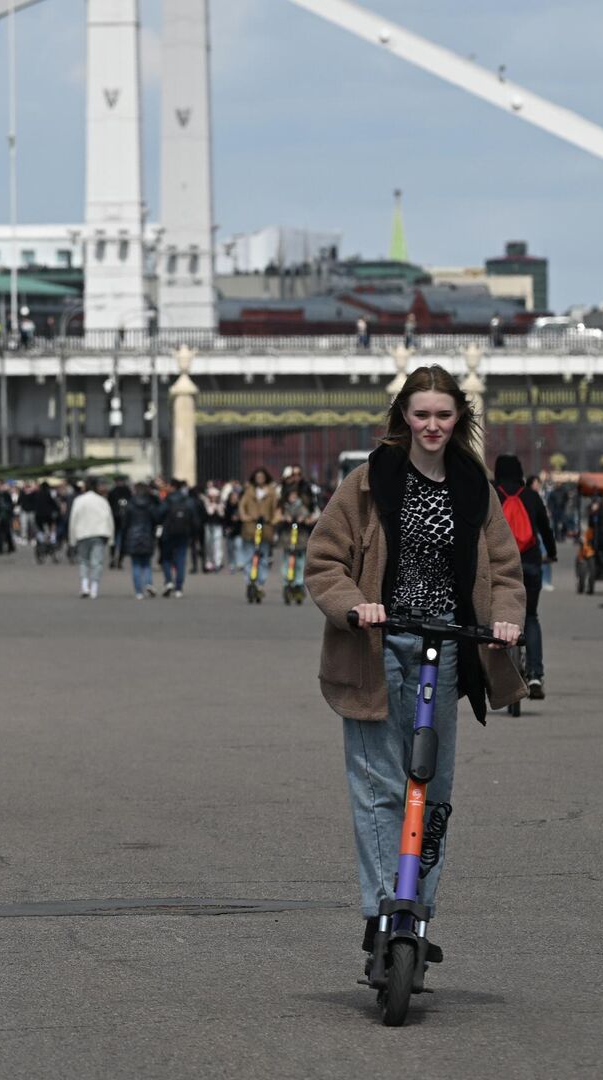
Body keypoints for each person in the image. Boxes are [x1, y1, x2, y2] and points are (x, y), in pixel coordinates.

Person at [305, 365, 524, 974]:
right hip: (377, 647)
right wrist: (356, 606)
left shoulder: (472, 485)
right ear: (404, 415)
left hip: (448, 648)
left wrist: (505, 619)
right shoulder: (368, 481)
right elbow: (324, 561)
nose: (432, 425)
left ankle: (417, 916)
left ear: (460, 418)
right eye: (421, 413)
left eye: (443, 414)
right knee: (379, 787)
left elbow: (505, 570)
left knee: (432, 793)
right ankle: (385, 915)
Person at [491, 455, 554, 699]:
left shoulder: (491, 494)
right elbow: (546, 530)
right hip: (530, 564)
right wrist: (553, 553)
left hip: (498, 567)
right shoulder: (531, 496)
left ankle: (494, 677)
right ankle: (536, 674)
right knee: (530, 616)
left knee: (495, 619)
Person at [68, 479, 116, 599]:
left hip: (82, 533)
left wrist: (72, 537)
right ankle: (94, 588)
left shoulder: (79, 500)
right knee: (97, 562)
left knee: (83, 560)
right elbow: (108, 518)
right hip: (99, 533)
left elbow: (73, 519)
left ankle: (84, 586)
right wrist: (111, 537)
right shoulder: (102, 501)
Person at [238, 468, 281, 589]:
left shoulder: (272, 492)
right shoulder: (249, 491)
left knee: (263, 557)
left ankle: (261, 582)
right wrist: (246, 517)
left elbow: (277, 509)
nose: (259, 479)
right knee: (248, 557)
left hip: (266, 528)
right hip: (250, 527)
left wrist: (273, 520)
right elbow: (242, 507)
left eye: (261, 477)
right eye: (257, 477)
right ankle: (249, 581)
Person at [157, 479, 198, 597]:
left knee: (166, 558)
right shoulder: (188, 501)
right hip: (184, 533)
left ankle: (169, 580)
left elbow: (158, 514)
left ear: (172, 487)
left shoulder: (167, 500)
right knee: (181, 559)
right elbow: (194, 519)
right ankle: (179, 587)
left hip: (168, 533)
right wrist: (194, 533)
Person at [123, 483, 159, 599]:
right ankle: (148, 583)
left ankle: (138, 592)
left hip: (133, 535)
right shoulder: (150, 505)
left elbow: (125, 523)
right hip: (147, 535)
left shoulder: (130, 505)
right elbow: (156, 519)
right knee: (147, 564)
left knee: (136, 565)